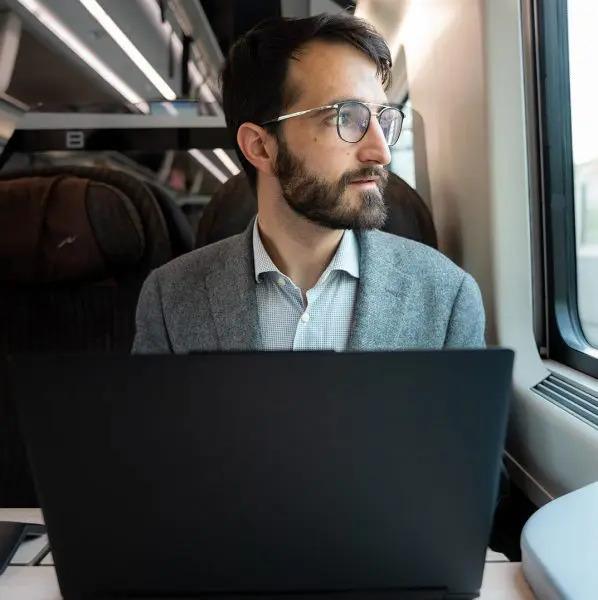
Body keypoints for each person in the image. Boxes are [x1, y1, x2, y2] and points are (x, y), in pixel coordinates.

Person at [132, 13, 484, 354]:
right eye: (346, 117)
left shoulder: (447, 295)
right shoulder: (170, 299)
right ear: (261, 147)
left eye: (381, 118)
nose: (381, 152)